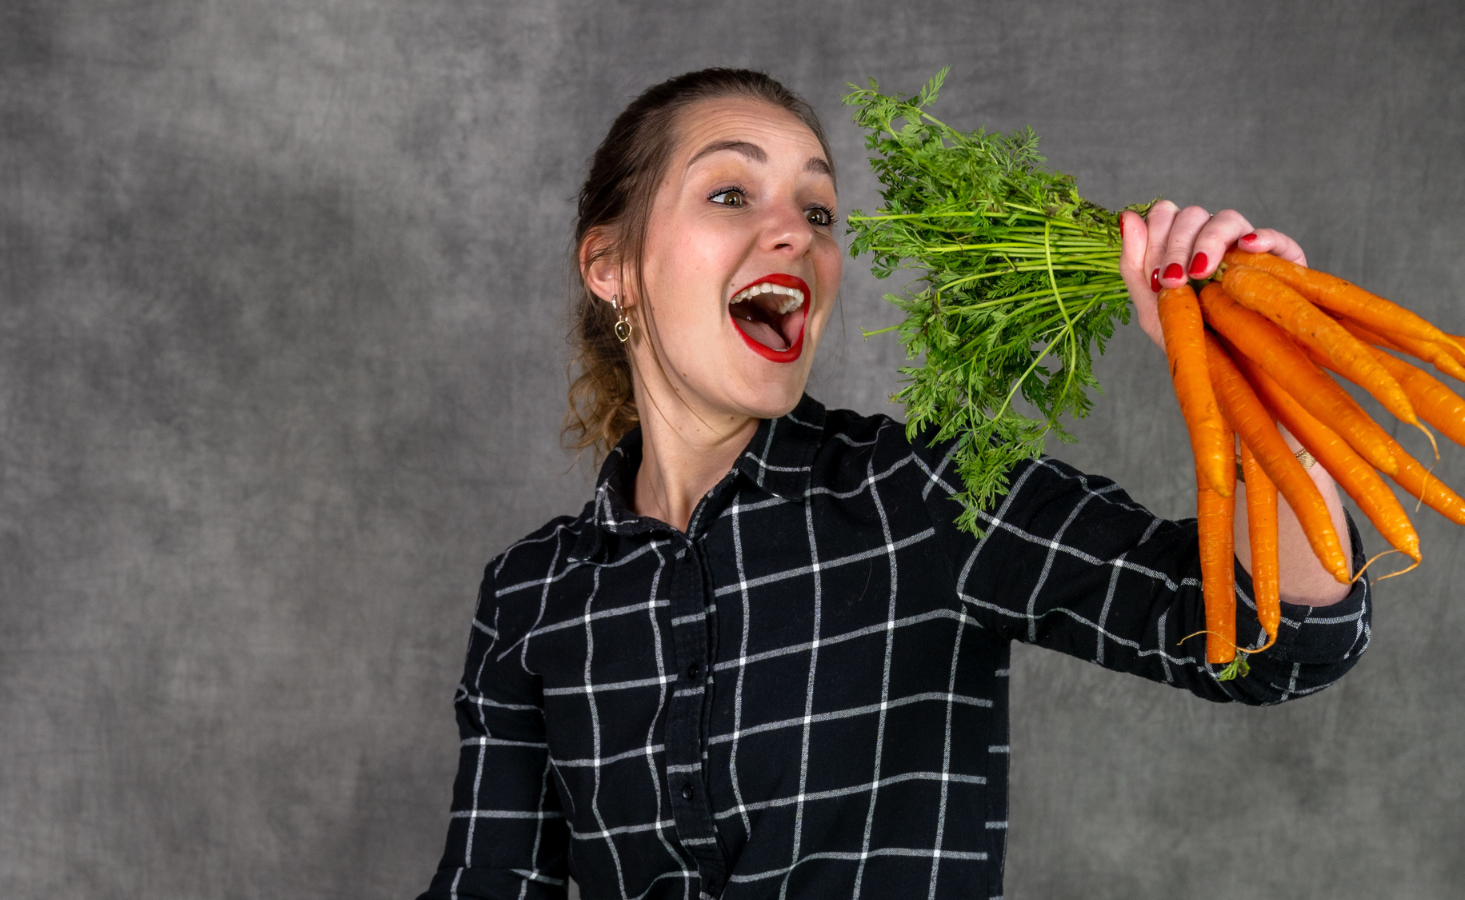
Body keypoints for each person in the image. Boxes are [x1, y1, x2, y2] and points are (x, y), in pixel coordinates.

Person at [416, 68, 1371, 900]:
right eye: (731, 196)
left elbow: (1279, 635)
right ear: (611, 265)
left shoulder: (921, 496)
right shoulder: (532, 596)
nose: (794, 233)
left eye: (819, 211)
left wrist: (1256, 385)